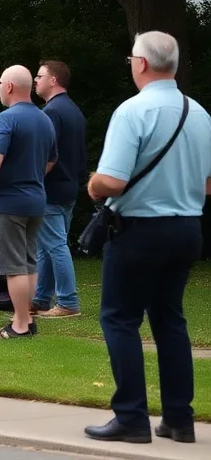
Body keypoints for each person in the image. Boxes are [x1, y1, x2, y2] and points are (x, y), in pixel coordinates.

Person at [83, 32, 211, 445]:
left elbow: (114, 181)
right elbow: (207, 185)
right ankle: (179, 418)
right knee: (170, 319)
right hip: (188, 227)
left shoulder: (132, 112)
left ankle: (131, 417)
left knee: (119, 319)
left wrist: (92, 184)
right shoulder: (200, 114)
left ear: (140, 64)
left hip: (139, 230)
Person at [0, 65, 56, 340]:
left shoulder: (6, 118)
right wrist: (31, 175)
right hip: (36, 200)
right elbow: (51, 159)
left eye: (0, 83)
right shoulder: (44, 119)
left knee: (13, 267)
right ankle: (25, 319)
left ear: (9, 86)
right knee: (28, 263)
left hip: (8, 202)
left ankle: (20, 325)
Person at [31, 60, 86, 319]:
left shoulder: (51, 112)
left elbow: (45, 155)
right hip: (69, 187)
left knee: (55, 245)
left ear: (53, 80)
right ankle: (42, 298)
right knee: (48, 246)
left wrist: (30, 179)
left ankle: (67, 301)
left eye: (40, 76)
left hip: (51, 188)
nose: (35, 81)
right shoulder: (74, 110)